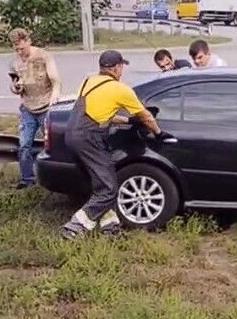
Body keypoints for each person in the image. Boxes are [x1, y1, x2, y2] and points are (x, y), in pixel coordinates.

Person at [61, 50, 165, 239]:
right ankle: (75, 227)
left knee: (103, 184)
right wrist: (159, 133)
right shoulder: (120, 89)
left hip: (72, 134)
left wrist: (127, 122)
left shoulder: (89, 82)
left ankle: (111, 229)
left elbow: (100, 114)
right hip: (89, 139)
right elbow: (147, 117)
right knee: (108, 188)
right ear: (117, 67)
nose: (122, 70)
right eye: (122, 66)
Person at [8, 28, 61, 189]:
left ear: (29, 42)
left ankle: (55, 180)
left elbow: (56, 81)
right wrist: (16, 87)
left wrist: (54, 99)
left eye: (22, 48)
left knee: (52, 145)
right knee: (24, 145)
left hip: (45, 105)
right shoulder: (14, 62)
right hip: (28, 108)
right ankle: (27, 180)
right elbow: (13, 86)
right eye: (16, 49)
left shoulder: (44, 56)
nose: (20, 52)